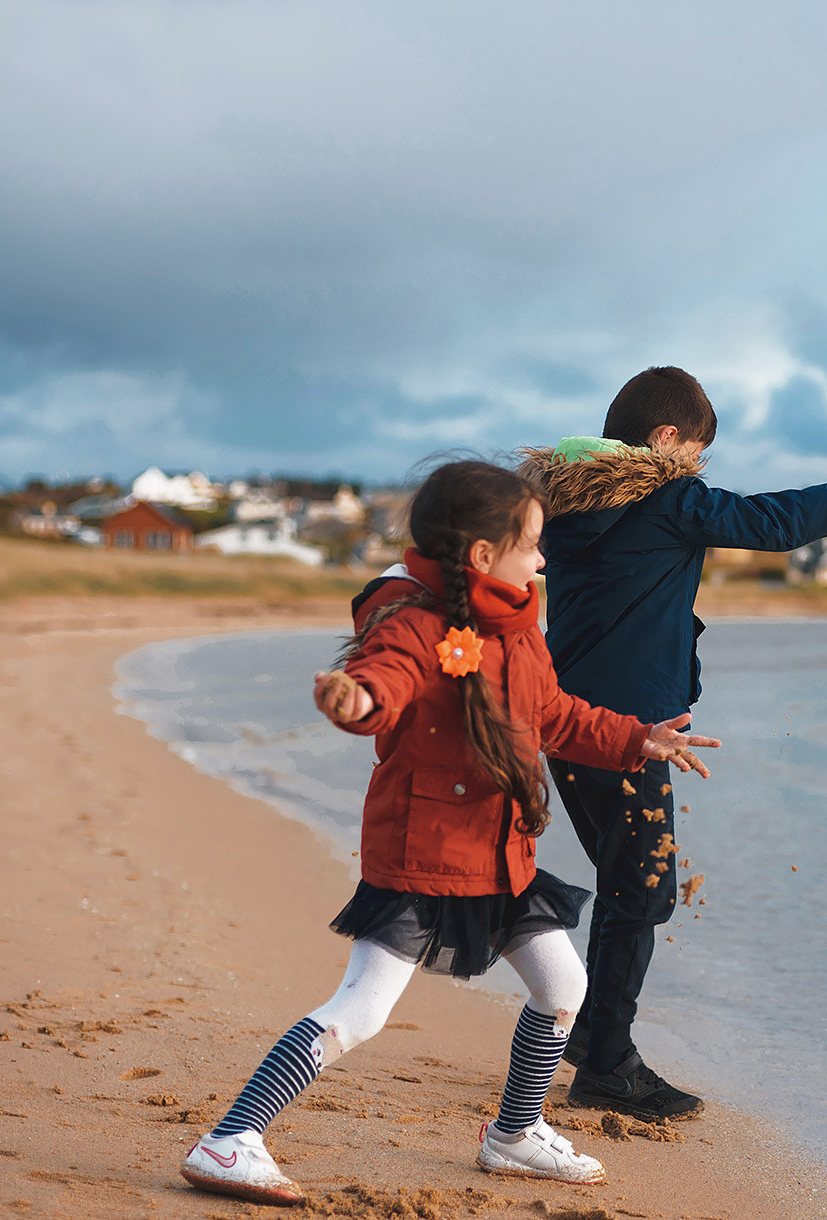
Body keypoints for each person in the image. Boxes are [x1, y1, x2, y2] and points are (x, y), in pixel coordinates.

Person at [179, 459, 719, 1205]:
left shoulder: (520, 629)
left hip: (500, 858)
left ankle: (514, 1134)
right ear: (482, 556)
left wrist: (638, 739)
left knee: (563, 986)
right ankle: (230, 1140)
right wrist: (356, 699)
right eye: (532, 542)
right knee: (361, 1011)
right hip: (422, 859)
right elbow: (383, 681)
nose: (543, 556)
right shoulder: (419, 627)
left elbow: (554, 715)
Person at [519, 366, 827, 1121]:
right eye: (697, 456)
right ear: (666, 439)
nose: (699, 473)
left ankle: (592, 1037)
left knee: (627, 884)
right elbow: (770, 523)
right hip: (634, 736)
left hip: (568, 723)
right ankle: (608, 1064)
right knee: (643, 890)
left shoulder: (565, 503)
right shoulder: (664, 497)